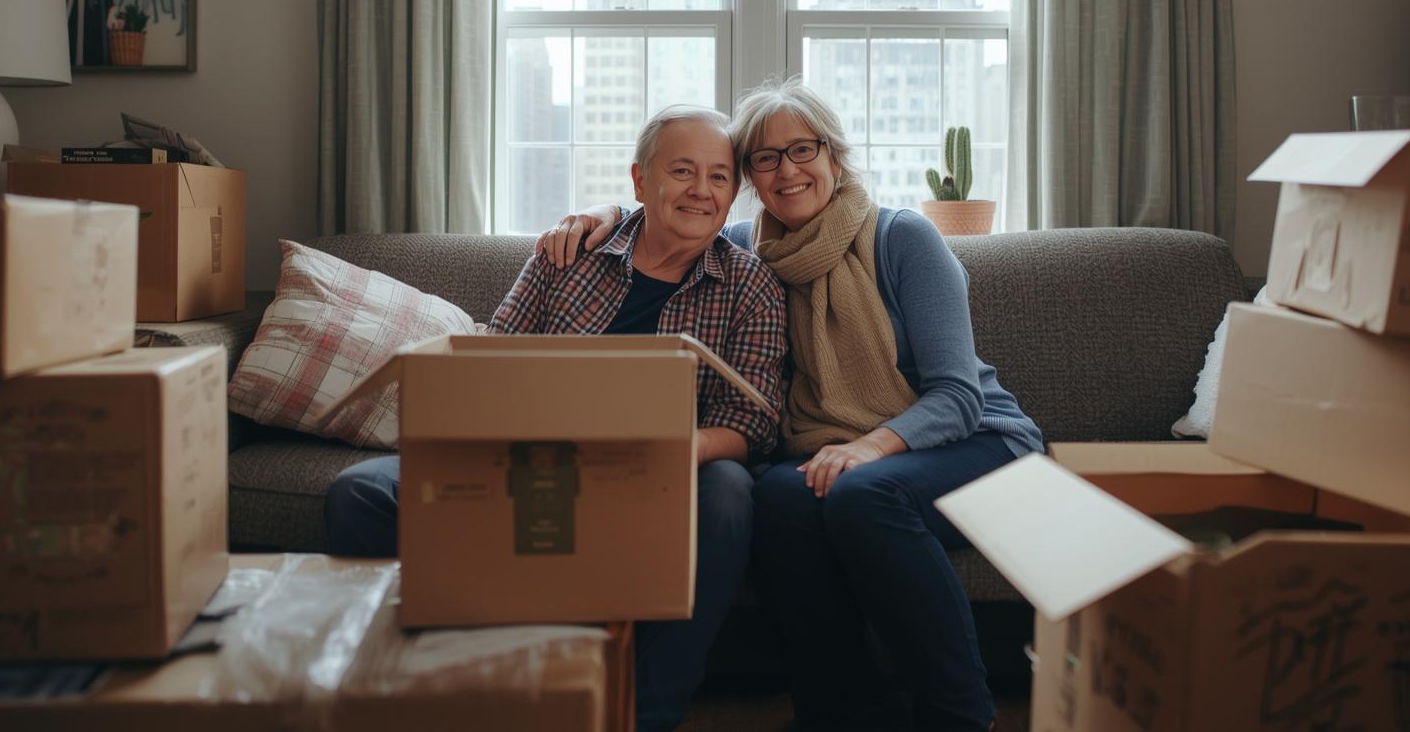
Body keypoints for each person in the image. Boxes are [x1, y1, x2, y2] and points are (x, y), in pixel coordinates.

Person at [537, 79, 1044, 731]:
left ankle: (962, 715)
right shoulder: (749, 249)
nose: (787, 170)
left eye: (801, 150)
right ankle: (847, 713)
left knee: (865, 496)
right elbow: (669, 223)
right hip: (839, 451)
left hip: (975, 440)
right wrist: (598, 215)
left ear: (834, 157)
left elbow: (958, 396)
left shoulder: (903, 240)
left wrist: (867, 447)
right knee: (776, 497)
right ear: (751, 176)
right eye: (765, 158)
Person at [324, 105, 788, 732]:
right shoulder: (566, 254)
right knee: (358, 494)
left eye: (719, 177)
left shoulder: (750, 284)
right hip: (528, 458)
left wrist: (672, 446)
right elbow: (486, 361)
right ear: (639, 180)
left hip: (661, 474)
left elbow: (752, 422)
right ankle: (439, 690)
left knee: (730, 493)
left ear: (734, 194)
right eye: (682, 171)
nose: (701, 191)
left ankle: (644, 713)